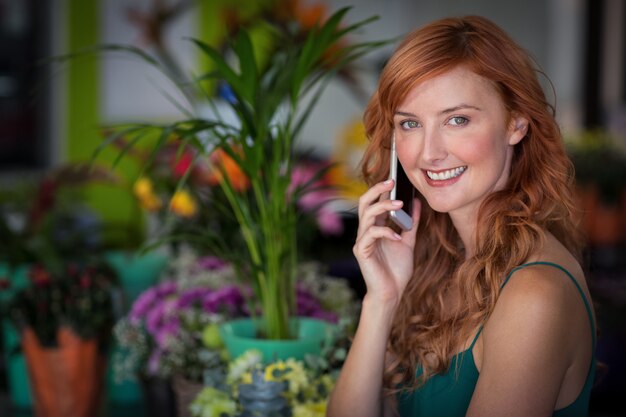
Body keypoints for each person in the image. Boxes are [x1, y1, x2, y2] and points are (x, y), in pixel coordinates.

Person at [327, 15, 595, 417]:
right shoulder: (434, 258)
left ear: (516, 123)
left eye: (457, 120)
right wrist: (381, 300)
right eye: (410, 124)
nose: (429, 152)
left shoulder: (533, 294)